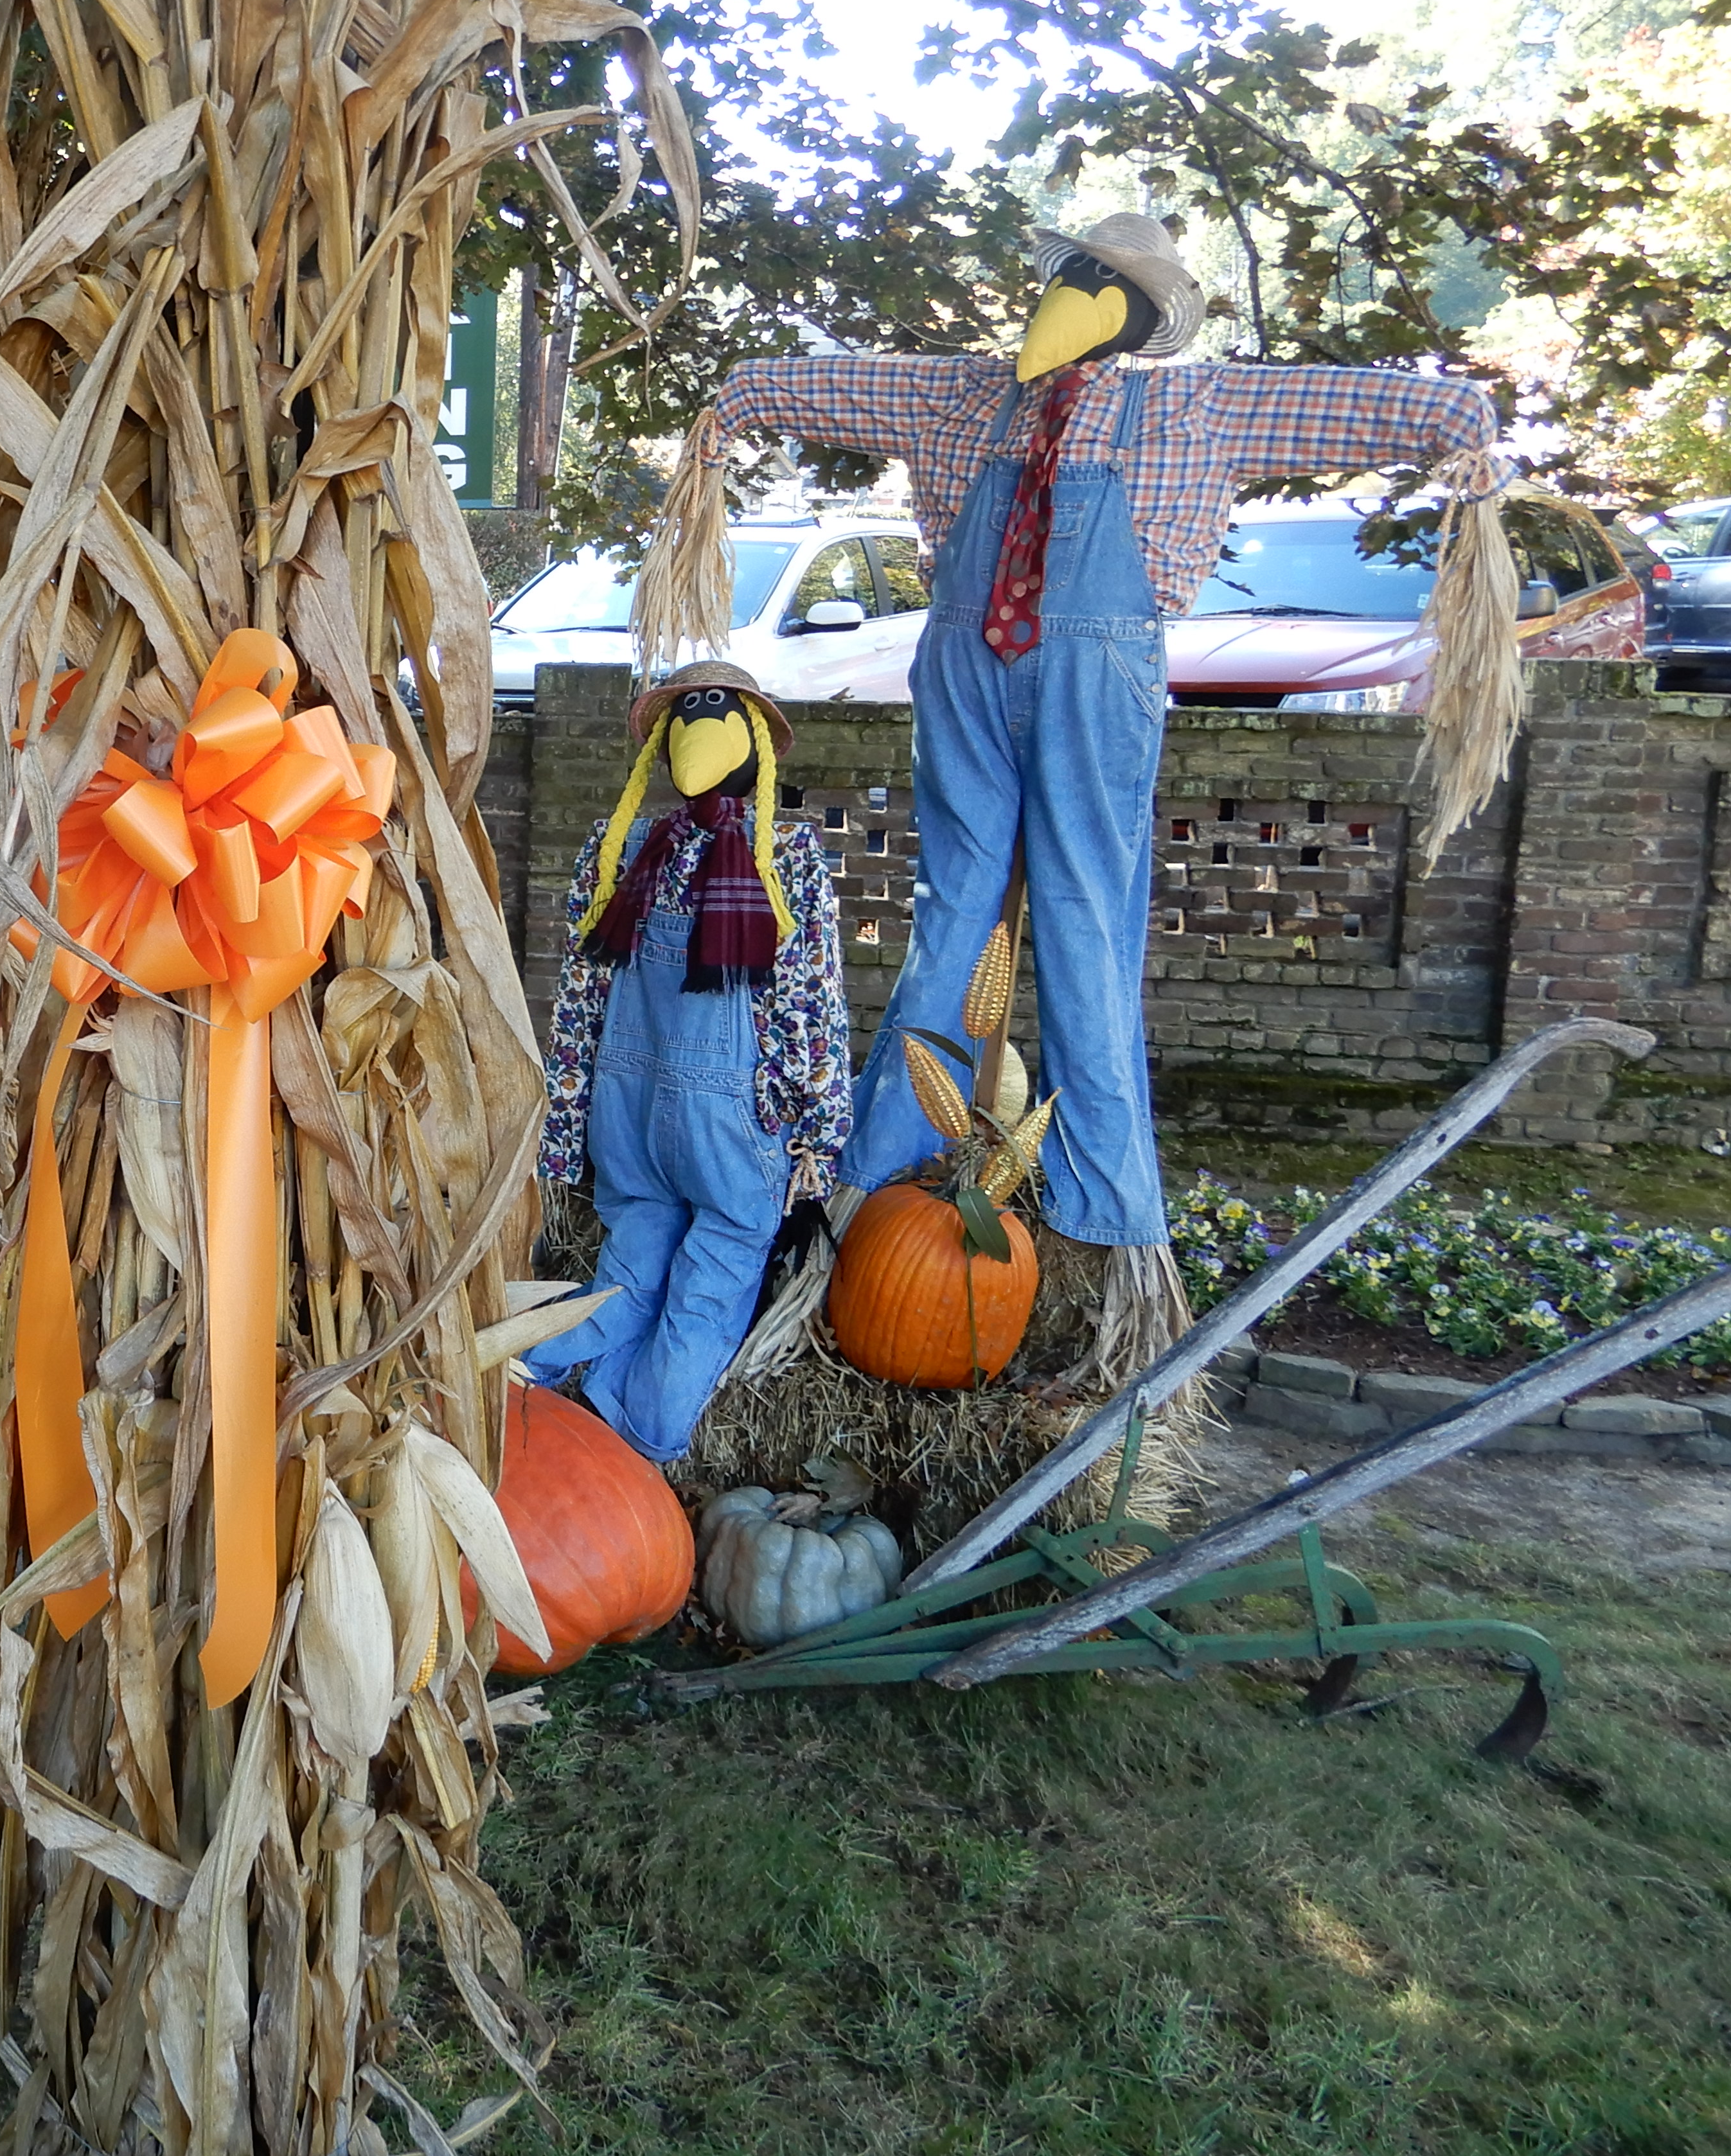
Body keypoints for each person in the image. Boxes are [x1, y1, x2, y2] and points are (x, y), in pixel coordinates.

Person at [698, 209, 1505, 1356]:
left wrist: (1460, 432)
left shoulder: (1195, 405)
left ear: (1138, 317)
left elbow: (1351, 403)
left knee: (1087, 923)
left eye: (1100, 284)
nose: (1072, 295)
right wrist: (732, 406)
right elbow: (818, 386)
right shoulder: (955, 393)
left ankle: (1104, 1224)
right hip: (964, 663)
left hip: (1101, 668)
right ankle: (881, 1185)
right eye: (1071, 274)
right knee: (950, 917)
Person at [533, 658, 851, 1460]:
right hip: (731, 1123)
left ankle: (536, 1376)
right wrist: (818, 1136)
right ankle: (642, 1443)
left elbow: (580, 995)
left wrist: (564, 1127)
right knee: (715, 1275)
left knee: (630, 1260)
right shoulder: (786, 857)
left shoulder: (620, 848)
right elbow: (810, 1006)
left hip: (626, 1108)